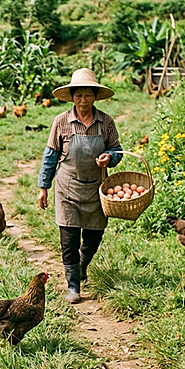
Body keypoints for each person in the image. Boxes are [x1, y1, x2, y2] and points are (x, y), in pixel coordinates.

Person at [37, 68, 123, 304]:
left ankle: (83, 263)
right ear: (72, 96)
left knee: (94, 237)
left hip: (96, 189)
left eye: (88, 95)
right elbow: (50, 156)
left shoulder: (106, 122)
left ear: (95, 96)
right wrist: (43, 187)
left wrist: (109, 157)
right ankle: (73, 285)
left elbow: (117, 150)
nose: (83, 100)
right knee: (69, 240)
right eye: (78, 95)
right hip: (67, 190)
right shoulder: (61, 122)